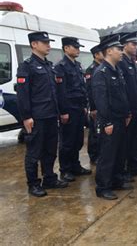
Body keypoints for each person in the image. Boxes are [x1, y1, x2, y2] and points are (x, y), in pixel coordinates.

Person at [16, 31, 69, 197]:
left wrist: (60, 112)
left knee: (50, 150)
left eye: (48, 42)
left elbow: (55, 92)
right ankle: (33, 184)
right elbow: (23, 95)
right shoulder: (27, 66)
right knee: (34, 152)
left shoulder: (49, 66)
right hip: (37, 117)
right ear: (34, 45)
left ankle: (50, 178)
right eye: (44, 42)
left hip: (51, 115)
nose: (48, 45)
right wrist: (26, 117)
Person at [92, 34, 132, 200]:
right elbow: (101, 101)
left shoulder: (117, 70)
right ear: (109, 51)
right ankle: (103, 187)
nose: (121, 52)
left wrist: (127, 113)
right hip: (110, 121)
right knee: (107, 155)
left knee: (119, 153)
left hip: (120, 119)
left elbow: (122, 95)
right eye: (118, 49)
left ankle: (116, 180)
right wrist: (107, 121)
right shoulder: (101, 73)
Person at [55, 37, 90, 182]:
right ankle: (65, 170)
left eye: (78, 47)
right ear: (66, 48)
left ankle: (75, 165)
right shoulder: (60, 67)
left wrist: (84, 106)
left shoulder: (77, 66)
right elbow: (60, 92)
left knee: (77, 140)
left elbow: (82, 88)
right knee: (67, 142)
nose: (78, 50)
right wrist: (63, 112)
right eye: (75, 47)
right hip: (69, 109)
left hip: (79, 108)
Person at [118, 32, 137, 180]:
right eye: (133, 44)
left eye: (136, 44)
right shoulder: (121, 62)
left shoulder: (132, 63)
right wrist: (126, 110)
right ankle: (126, 169)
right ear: (124, 45)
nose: (136, 47)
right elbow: (123, 89)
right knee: (126, 141)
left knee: (136, 138)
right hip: (128, 108)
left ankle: (134, 165)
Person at [85, 45, 104, 164]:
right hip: (95, 107)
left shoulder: (101, 67)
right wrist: (93, 108)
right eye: (102, 52)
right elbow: (90, 91)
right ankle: (94, 155)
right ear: (96, 55)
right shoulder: (91, 69)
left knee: (100, 132)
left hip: (100, 106)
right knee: (94, 133)